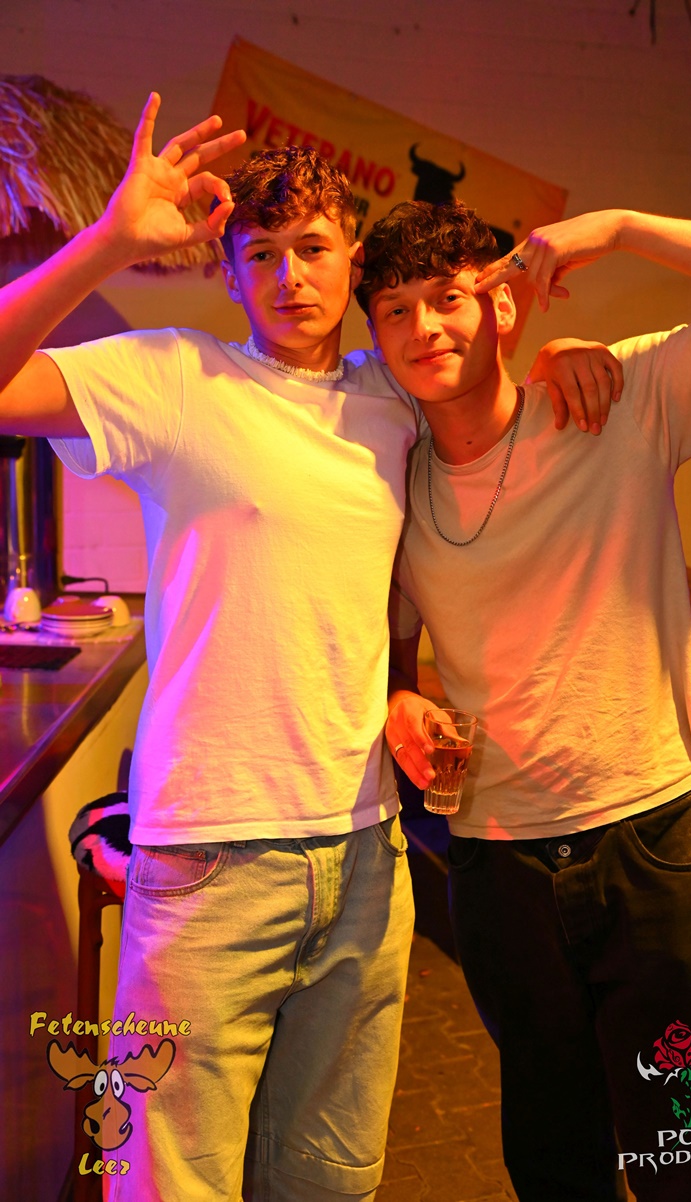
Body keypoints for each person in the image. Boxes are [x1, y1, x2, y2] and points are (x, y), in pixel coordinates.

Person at [0, 97, 617, 1201]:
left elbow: (478, 393)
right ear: (229, 274)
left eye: (314, 249)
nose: (290, 276)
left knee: (330, 1178)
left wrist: (565, 346)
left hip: (366, 858)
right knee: (170, 1181)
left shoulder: (389, 399)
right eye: (262, 255)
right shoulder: (175, 379)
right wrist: (106, 241)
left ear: (350, 260)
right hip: (208, 861)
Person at [357, 199, 691, 1202]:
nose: (425, 327)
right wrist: (399, 695)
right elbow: (392, 653)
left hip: (652, 846)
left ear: (504, 307)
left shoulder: (620, 400)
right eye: (395, 310)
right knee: (555, 1170)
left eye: (449, 298)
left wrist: (626, 226)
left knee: (684, 1167)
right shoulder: (389, 483)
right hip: (500, 868)